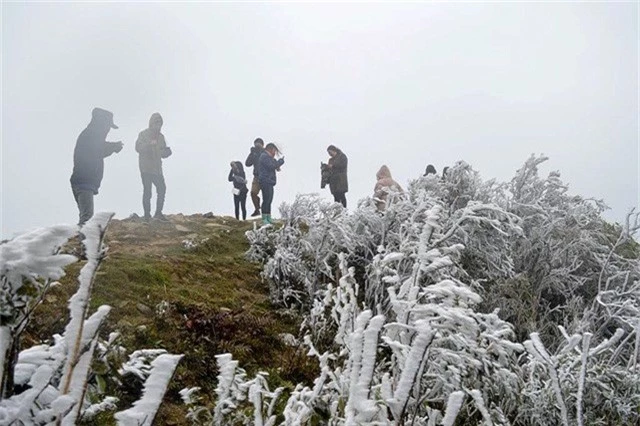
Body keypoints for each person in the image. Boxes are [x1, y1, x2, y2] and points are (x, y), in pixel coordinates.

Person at [70, 107, 123, 225]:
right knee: (87, 218)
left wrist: (112, 147)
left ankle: (84, 241)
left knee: (86, 216)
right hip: (83, 182)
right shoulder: (90, 135)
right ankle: (84, 242)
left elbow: (97, 150)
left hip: (82, 182)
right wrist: (113, 147)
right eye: (108, 125)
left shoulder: (90, 135)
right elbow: (97, 149)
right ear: (101, 123)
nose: (108, 129)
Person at [135, 113, 172, 221]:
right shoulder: (143, 134)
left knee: (162, 189)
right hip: (145, 168)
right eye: (156, 123)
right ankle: (147, 215)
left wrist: (167, 152)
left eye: (160, 124)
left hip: (157, 169)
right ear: (151, 123)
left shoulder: (161, 137)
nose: (158, 126)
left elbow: (163, 152)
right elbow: (138, 148)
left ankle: (158, 213)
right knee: (148, 191)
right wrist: (149, 145)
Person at [258, 143, 285, 225]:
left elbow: (273, 164)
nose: (274, 153)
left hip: (269, 181)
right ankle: (264, 218)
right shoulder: (264, 156)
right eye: (274, 151)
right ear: (270, 149)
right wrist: (280, 162)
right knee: (266, 200)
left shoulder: (268, 157)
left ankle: (268, 217)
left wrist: (277, 164)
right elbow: (271, 166)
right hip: (265, 180)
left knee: (269, 200)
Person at [245, 138, 265, 217]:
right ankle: (257, 209)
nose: (257, 145)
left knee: (266, 196)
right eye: (255, 144)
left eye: (258, 144)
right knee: (253, 193)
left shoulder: (265, 152)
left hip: (265, 177)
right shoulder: (254, 153)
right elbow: (247, 163)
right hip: (256, 177)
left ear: (262, 145)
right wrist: (252, 153)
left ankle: (265, 215)